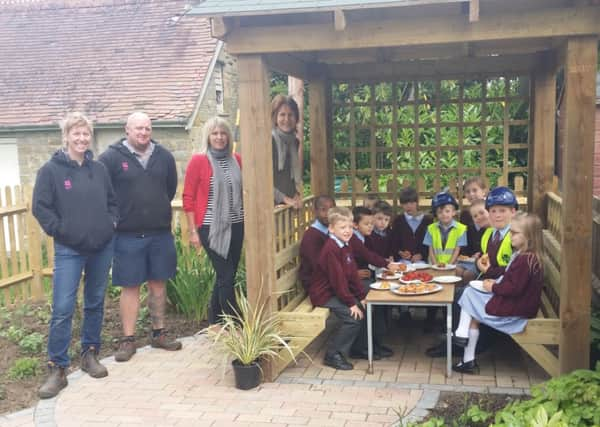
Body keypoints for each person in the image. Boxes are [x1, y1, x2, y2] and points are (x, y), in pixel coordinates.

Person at [33, 112, 117, 398]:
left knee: (94, 302)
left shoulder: (100, 169)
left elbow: (112, 202)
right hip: (69, 249)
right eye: (76, 134)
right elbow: (40, 207)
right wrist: (62, 230)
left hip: (101, 247)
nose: (81, 139)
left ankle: (90, 354)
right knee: (63, 308)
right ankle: (57, 368)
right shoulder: (51, 170)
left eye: (85, 134)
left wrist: (111, 224)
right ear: (66, 136)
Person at [99, 111, 181, 362]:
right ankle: (128, 340)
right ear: (127, 129)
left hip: (159, 233)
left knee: (158, 284)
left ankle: (159, 333)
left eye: (147, 128)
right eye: (138, 129)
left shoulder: (164, 157)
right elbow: (103, 192)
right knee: (130, 286)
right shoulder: (111, 158)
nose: (143, 133)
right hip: (127, 235)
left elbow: (170, 188)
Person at [452, 212, 543, 374]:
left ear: (528, 236)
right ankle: (467, 359)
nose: (510, 236)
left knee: (468, 294)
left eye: (515, 233)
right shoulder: (522, 255)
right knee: (470, 296)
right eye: (511, 232)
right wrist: (495, 282)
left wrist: (492, 288)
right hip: (516, 303)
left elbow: (514, 289)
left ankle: (461, 334)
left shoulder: (525, 260)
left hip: (516, 310)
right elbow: (511, 281)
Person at [183, 117, 243, 325]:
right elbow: (188, 198)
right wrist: (193, 231)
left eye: (223, 133)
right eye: (215, 133)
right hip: (210, 227)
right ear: (208, 136)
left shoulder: (237, 159)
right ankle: (237, 326)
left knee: (225, 274)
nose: (219, 137)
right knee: (226, 276)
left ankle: (214, 321)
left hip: (236, 224)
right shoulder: (199, 161)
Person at [309, 207, 367, 370]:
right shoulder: (331, 249)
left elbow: (352, 275)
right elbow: (338, 281)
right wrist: (351, 303)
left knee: (364, 306)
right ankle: (333, 354)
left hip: (336, 291)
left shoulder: (345, 245)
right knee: (353, 318)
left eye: (349, 227)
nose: (347, 231)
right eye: (342, 228)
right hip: (324, 294)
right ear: (331, 229)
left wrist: (361, 295)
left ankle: (358, 348)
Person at [350, 206, 399, 358]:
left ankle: (376, 343)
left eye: (372, 223)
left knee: (382, 300)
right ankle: (361, 348)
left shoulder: (366, 237)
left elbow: (372, 256)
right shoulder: (353, 238)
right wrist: (387, 264)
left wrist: (385, 263)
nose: (371, 226)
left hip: (365, 277)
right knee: (369, 302)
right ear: (355, 225)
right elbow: (366, 257)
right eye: (367, 223)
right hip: (352, 282)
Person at [271, 94, 302, 209]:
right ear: (275, 117)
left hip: (286, 206)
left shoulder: (294, 142)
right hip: (270, 206)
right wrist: (284, 199)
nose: (287, 119)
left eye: (291, 115)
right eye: (282, 115)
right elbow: (263, 180)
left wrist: (296, 194)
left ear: (296, 117)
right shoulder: (269, 141)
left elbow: (289, 177)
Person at [298, 195, 335, 292]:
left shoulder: (331, 231)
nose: (328, 214)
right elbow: (319, 267)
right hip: (317, 286)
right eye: (323, 210)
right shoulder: (311, 236)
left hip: (331, 280)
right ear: (315, 211)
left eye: (331, 210)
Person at [389, 187, 432, 264]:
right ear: (401, 204)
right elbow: (393, 243)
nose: (409, 206)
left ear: (417, 202)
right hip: (403, 261)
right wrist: (401, 253)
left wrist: (421, 255)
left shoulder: (427, 221)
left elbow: (431, 244)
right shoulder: (398, 221)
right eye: (405, 203)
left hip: (422, 261)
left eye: (412, 203)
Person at [424, 192, 467, 267]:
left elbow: (457, 250)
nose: (444, 214)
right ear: (436, 214)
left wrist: (449, 265)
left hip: (453, 265)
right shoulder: (431, 229)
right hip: (434, 265)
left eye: (447, 211)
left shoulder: (461, 229)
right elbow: (431, 250)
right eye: (440, 212)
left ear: (453, 212)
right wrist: (435, 265)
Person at [456, 199, 490, 282]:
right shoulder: (487, 232)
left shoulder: (493, 231)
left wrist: (479, 258)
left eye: (481, 213)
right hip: (477, 263)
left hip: (488, 269)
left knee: (468, 274)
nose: (479, 217)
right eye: (475, 216)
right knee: (456, 270)